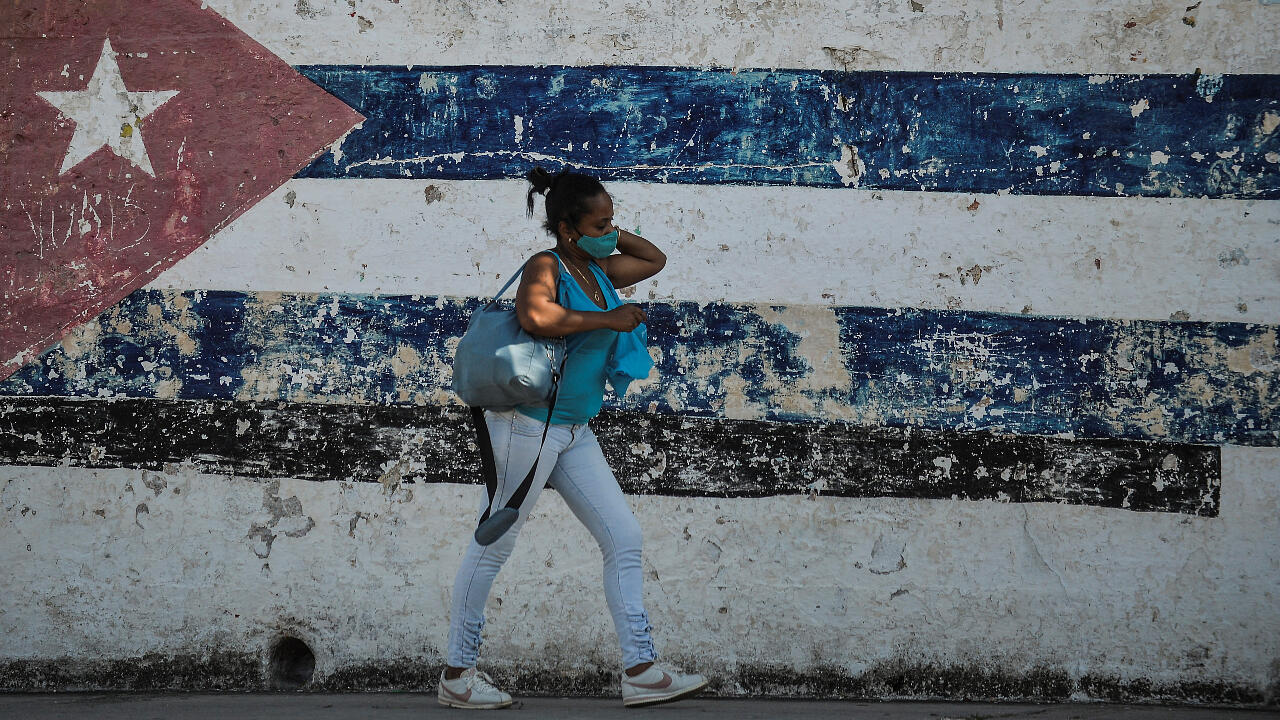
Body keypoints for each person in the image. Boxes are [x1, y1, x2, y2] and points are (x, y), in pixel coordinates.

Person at [438, 168, 708, 709]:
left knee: (623, 537)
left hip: (572, 429)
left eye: (612, 222)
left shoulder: (597, 270)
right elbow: (537, 316)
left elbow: (654, 259)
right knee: (496, 541)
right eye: (599, 224)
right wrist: (606, 319)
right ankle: (457, 675)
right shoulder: (547, 266)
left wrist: (607, 232)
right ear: (566, 228)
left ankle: (641, 670)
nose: (610, 233)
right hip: (528, 426)